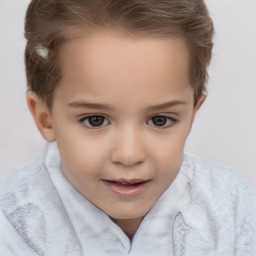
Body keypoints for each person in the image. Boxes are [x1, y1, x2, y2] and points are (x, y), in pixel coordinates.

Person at [0, 0, 255, 255]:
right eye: (95, 120)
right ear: (45, 118)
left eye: (160, 120)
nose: (129, 155)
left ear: (192, 115)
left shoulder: (232, 207)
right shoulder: (10, 226)